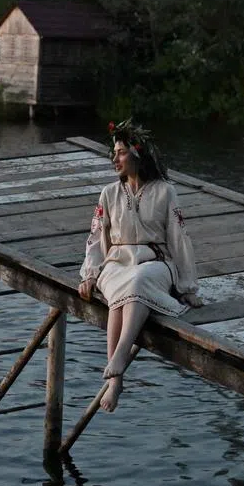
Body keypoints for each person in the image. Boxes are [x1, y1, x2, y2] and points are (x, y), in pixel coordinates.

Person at [78, 119, 202, 411]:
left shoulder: (164, 191)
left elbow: (179, 237)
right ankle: (115, 381)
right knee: (121, 292)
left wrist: (187, 286)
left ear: (137, 154)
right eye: (114, 152)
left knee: (137, 282)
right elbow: (95, 237)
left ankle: (119, 356)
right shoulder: (108, 194)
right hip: (116, 264)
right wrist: (89, 274)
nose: (114, 158)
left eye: (120, 152)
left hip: (155, 263)